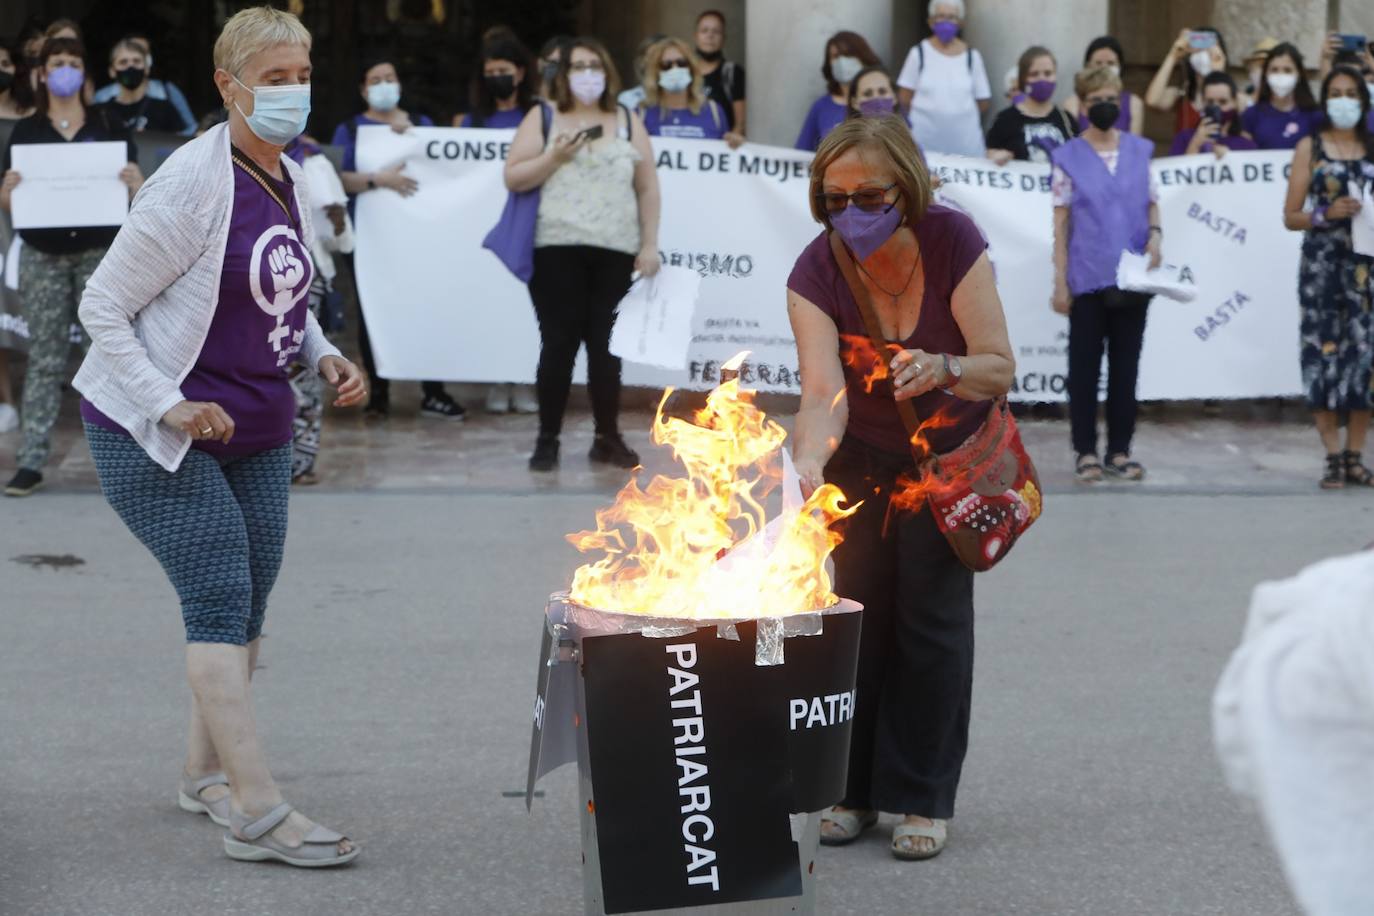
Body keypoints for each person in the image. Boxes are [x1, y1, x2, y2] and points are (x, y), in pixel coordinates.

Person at [74, 6, 365, 866]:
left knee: (247, 607)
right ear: (228, 85)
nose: (292, 92)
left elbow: (281, 291)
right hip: (155, 431)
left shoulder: (293, 171)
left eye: (302, 75)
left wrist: (324, 354)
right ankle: (258, 811)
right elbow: (102, 307)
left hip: (260, 427)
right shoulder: (190, 184)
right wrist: (167, 404)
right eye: (273, 79)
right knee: (216, 598)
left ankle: (203, 777)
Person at [786, 116, 1013, 861]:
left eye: (869, 194)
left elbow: (997, 364)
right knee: (855, 624)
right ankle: (849, 790)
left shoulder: (953, 242)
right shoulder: (816, 271)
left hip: (947, 458)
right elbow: (822, 390)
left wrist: (944, 368)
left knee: (931, 626)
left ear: (906, 190)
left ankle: (920, 797)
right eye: (833, 197)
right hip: (863, 457)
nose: (851, 210)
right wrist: (811, 457)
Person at [504, 37, 661, 472]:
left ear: (607, 72)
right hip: (555, 248)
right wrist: (554, 156)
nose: (588, 74)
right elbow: (514, 176)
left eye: (595, 65)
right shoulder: (544, 116)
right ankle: (548, 437)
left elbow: (647, 185)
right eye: (578, 66)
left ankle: (606, 437)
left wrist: (649, 244)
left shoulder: (627, 119)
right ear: (564, 74)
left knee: (606, 348)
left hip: (615, 249)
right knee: (559, 343)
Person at [0, 36, 143, 497]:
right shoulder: (27, 131)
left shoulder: (109, 122)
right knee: (45, 356)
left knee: (109, 350)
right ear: (42, 72)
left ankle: (125, 457)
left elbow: (136, 192)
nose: (64, 70)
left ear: (85, 72)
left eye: (72, 63)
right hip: (42, 254)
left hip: (100, 254)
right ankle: (32, 461)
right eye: (56, 63)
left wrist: (134, 184)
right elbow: (8, 199)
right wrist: (8, 191)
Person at [332, 59, 465, 421]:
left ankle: (433, 393)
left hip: (419, 238)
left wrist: (418, 139)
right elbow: (338, 178)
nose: (384, 85)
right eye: (375, 80)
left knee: (426, 308)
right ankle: (379, 395)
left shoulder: (421, 126)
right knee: (373, 313)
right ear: (363, 90)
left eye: (390, 78)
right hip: (369, 239)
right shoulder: (350, 129)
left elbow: (444, 172)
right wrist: (378, 180)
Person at [1051, 66, 1161, 485]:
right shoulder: (1068, 158)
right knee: (1083, 368)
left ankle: (1120, 449)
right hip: (1087, 276)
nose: (1105, 105)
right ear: (1082, 104)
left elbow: (1152, 203)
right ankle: (1085, 451)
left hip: (1132, 277)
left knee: (1125, 367)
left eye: (1112, 98)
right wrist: (1060, 281)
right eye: (1096, 98)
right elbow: (1060, 224)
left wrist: (1157, 234)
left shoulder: (1139, 151)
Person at [1282, 67, 1374, 489]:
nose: (1344, 100)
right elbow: (1290, 215)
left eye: (1351, 93)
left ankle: (1356, 454)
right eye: (1335, 93)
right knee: (1321, 356)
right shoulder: (1310, 147)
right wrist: (1325, 214)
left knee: (1365, 360)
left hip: (1366, 270)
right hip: (1322, 269)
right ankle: (1332, 455)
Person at [458, 33, 541, 415]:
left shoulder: (538, 116)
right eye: (490, 72)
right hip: (484, 224)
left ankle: (524, 379)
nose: (497, 78)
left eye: (503, 71)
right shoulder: (471, 121)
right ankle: (496, 378)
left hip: (530, 219)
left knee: (526, 306)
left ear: (521, 73)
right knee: (494, 300)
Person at [896, 0, 992, 158]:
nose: (946, 21)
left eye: (952, 17)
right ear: (931, 21)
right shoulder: (918, 53)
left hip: (966, 146)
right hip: (924, 144)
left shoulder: (972, 57)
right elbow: (904, 98)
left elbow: (983, 102)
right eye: (940, 16)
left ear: (960, 23)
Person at [0, 38, 35, 435]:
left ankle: (21, 399)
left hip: (16, 223)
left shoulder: (29, 117)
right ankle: (4, 399)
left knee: (15, 307)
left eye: (6, 62)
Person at [985, 45, 1077, 165]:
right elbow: (990, 154)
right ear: (1023, 79)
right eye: (1034, 74)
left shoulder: (1066, 119)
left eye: (1048, 73)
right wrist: (995, 156)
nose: (1042, 79)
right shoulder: (1005, 119)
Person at [92, 34, 197, 135]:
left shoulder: (165, 109)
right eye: (123, 62)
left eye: (136, 61)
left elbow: (181, 142)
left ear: (146, 69)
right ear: (112, 71)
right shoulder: (100, 113)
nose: (130, 66)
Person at [795, 31, 882, 151]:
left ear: (863, 57)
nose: (842, 61)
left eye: (848, 55)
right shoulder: (821, 107)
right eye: (835, 56)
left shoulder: (882, 100)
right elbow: (801, 152)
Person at [640, 36, 735, 145]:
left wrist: (735, 145)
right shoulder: (641, 115)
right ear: (656, 72)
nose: (675, 69)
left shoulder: (714, 112)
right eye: (666, 65)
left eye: (682, 63)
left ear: (691, 68)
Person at [1145, 26, 1229, 133]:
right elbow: (1152, 101)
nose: (1204, 54)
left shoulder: (1233, 98)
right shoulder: (1182, 94)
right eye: (1199, 47)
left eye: (1209, 48)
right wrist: (1173, 56)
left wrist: (1218, 73)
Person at [1241, 42, 1322, 150]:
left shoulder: (1314, 116)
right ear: (1266, 74)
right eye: (1274, 70)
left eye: (1287, 70)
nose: (1280, 75)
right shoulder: (1251, 115)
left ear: (1299, 75)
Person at [1063, 36, 1145, 134]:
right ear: (1087, 66)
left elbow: (1134, 145)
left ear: (1120, 66)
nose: (1104, 68)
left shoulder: (1134, 103)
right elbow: (1071, 144)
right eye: (1098, 63)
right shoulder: (1073, 103)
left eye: (1110, 63)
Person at [1169, 72, 1257, 157]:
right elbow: (1175, 169)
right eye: (1210, 102)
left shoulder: (1246, 145)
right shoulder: (1183, 138)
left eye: (1223, 102)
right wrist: (1195, 145)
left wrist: (1229, 158)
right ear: (1202, 102)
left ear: (1235, 102)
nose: (1216, 107)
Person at [693, 10, 746, 141]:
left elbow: (741, 123)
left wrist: (731, 142)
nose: (710, 36)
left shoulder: (732, 72)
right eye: (704, 31)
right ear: (696, 36)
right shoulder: (684, 72)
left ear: (723, 38)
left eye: (716, 31)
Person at [615, 33, 664, 113]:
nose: (656, 61)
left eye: (661, 56)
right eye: (652, 56)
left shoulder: (684, 98)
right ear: (641, 62)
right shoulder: (628, 98)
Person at [1240, 37, 1279, 105]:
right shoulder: (1241, 102)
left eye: (1274, 68)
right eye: (1262, 66)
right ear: (1250, 70)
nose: (1266, 72)